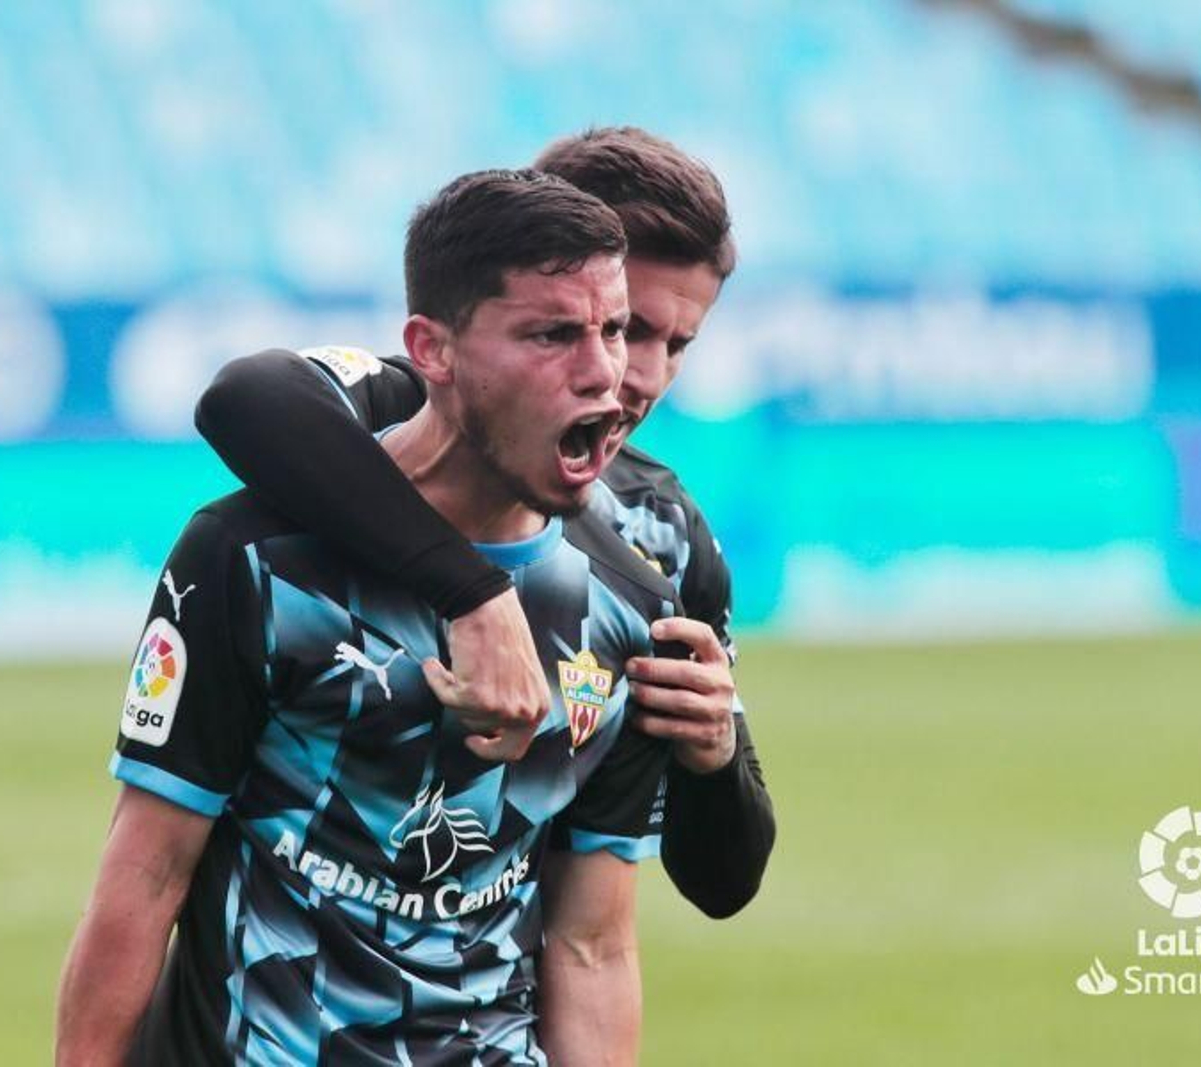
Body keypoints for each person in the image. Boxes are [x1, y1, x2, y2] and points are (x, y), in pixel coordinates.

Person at [58, 169, 681, 1065]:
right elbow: (146, 876)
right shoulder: (256, 561)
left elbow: (593, 944)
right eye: (551, 334)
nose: (604, 374)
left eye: (613, 330)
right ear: (431, 350)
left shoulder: (630, 606)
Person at [195, 127, 773, 919]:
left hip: (503, 986)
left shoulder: (663, 533)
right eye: (627, 326)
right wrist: (473, 590)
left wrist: (716, 754)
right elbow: (244, 396)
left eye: (677, 344)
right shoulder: (406, 410)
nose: (641, 375)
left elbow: (723, 883)